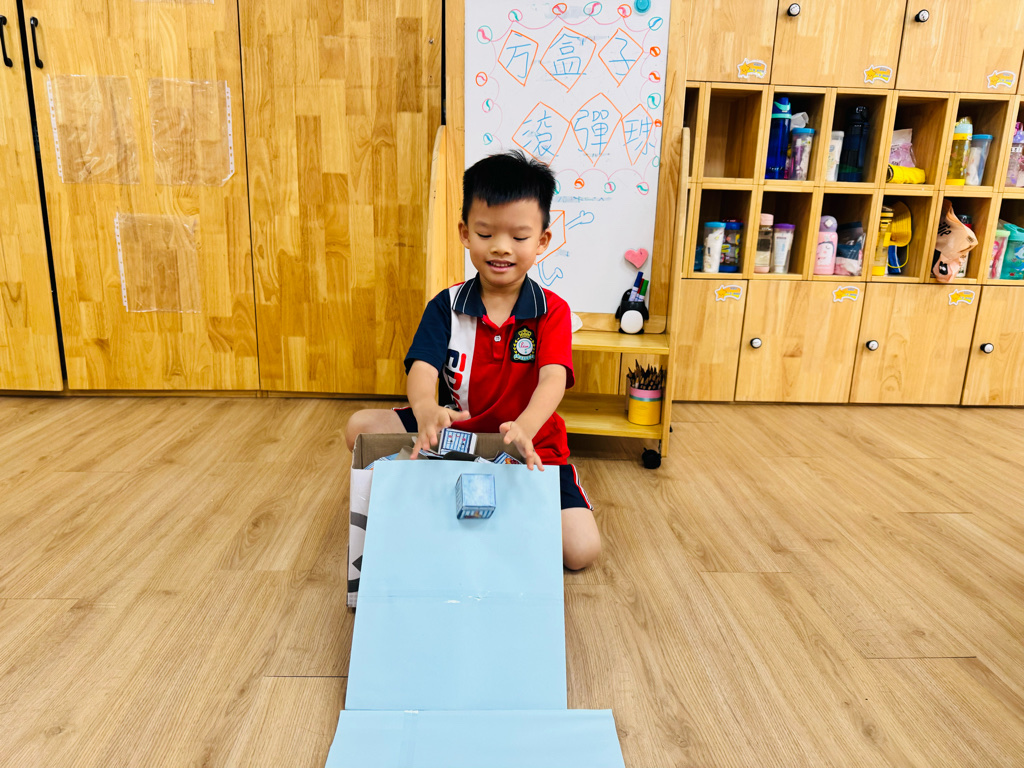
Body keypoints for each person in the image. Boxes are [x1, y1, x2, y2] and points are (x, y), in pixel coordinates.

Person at [346, 151, 601, 570]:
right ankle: (427, 504)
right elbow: (422, 368)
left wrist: (526, 427)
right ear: (465, 233)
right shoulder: (445, 305)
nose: (501, 247)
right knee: (360, 427)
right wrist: (425, 408)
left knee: (581, 550)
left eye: (519, 237)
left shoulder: (552, 310)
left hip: (527, 444)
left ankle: (492, 513)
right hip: (453, 437)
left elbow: (553, 379)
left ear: (542, 241)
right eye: (485, 233)